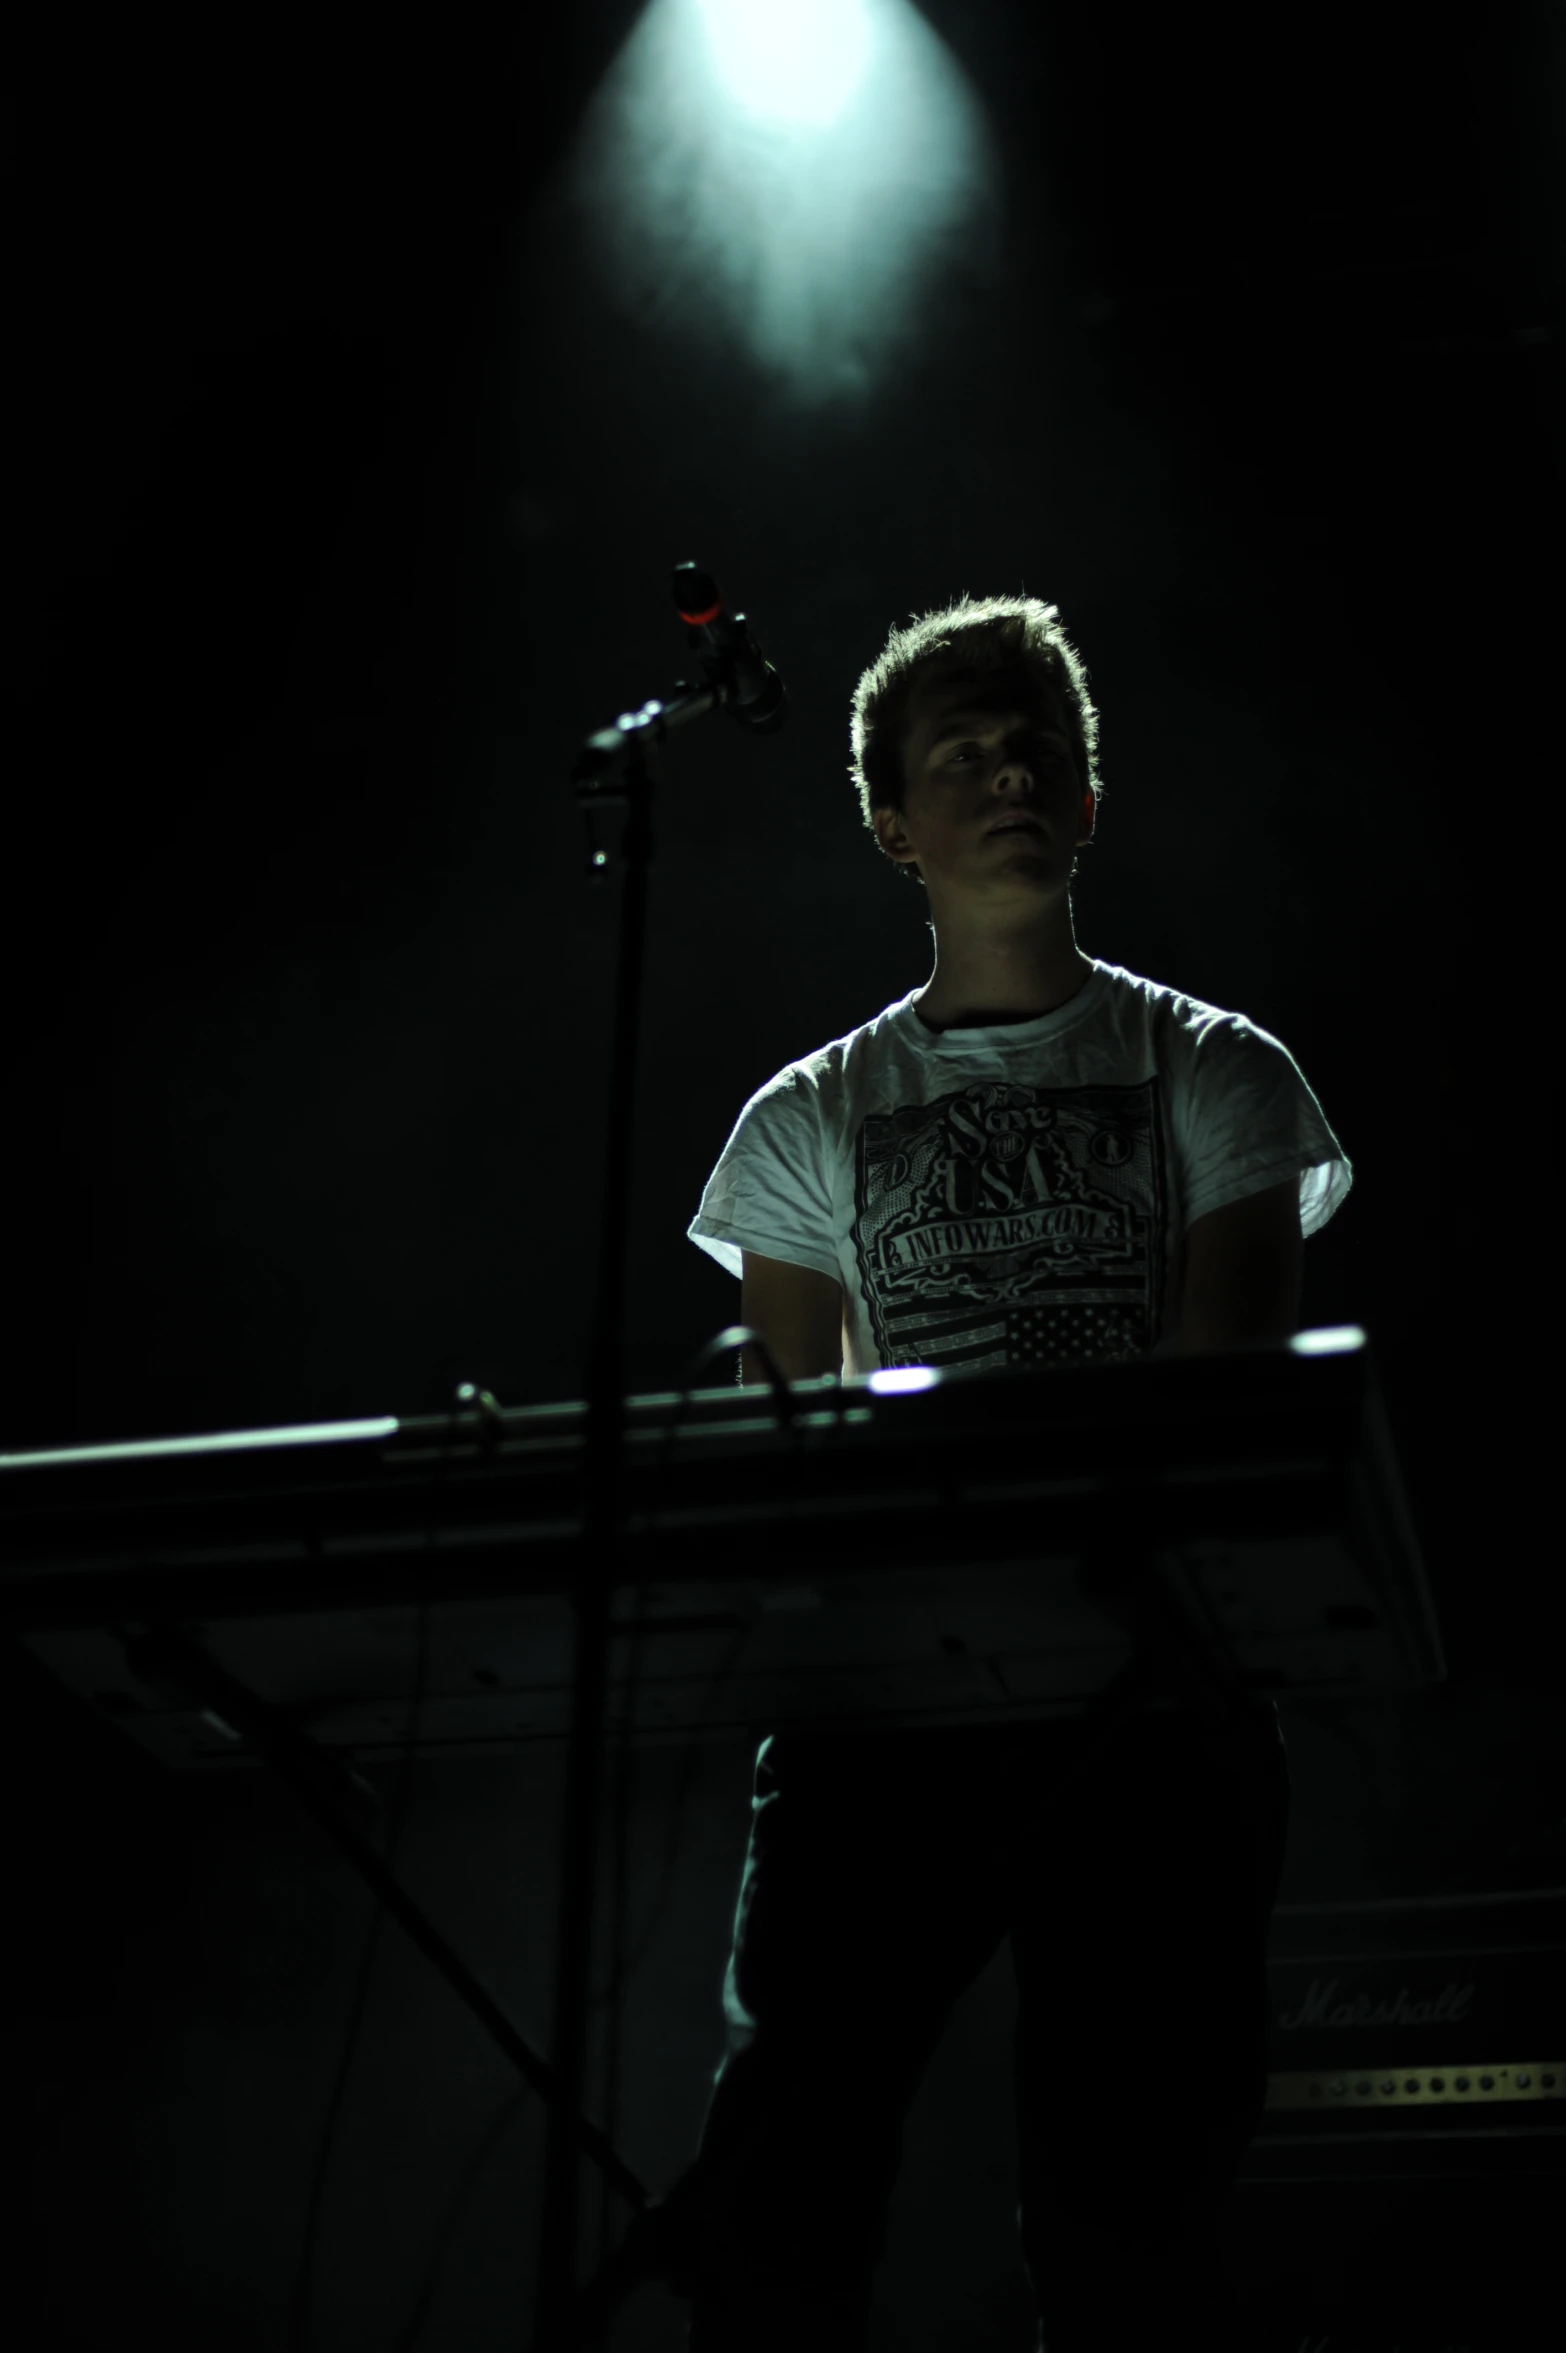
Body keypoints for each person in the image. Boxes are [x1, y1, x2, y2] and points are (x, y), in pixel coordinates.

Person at [672, 592, 1353, 2351]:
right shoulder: (801, 1118)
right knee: (780, 2192)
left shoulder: (1214, 1070)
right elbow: (797, 1433)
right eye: (960, 755)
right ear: (892, 824)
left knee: (1128, 2219)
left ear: (1091, 801)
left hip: (1148, 1693)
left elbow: (1222, 1418)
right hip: (887, 1711)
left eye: (1038, 746)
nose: (1009, 773)